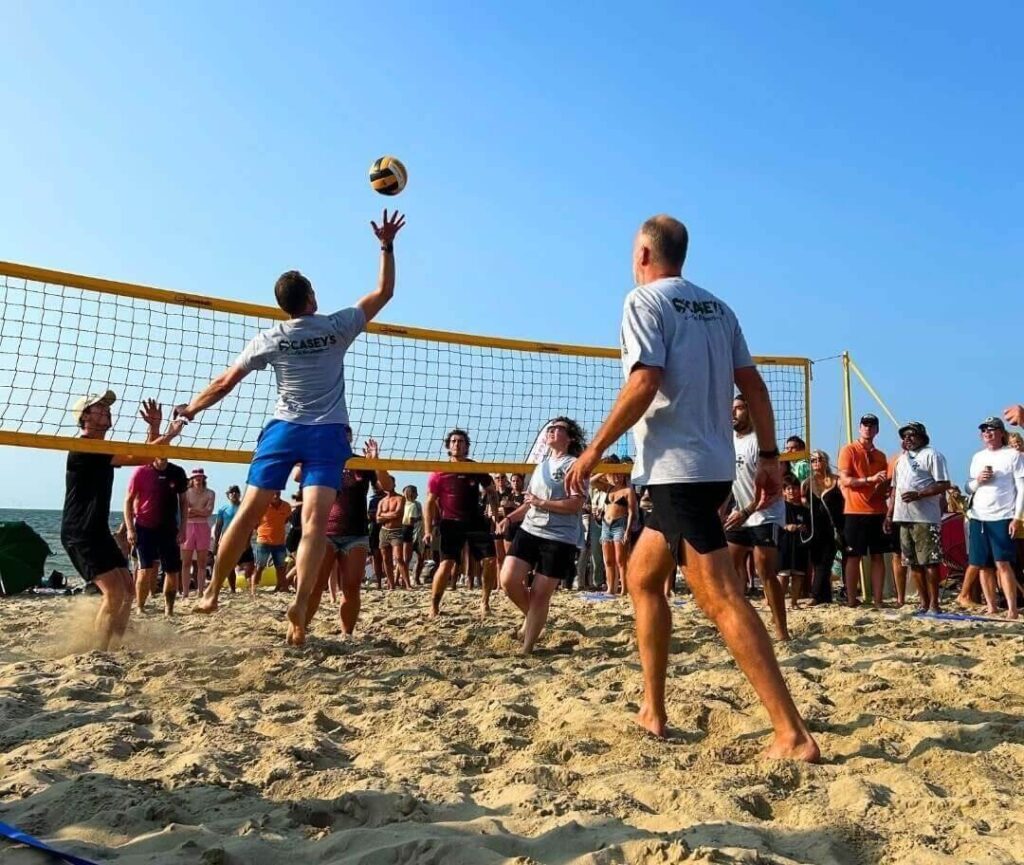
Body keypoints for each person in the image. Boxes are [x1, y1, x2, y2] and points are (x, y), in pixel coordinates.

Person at [565, 214, 818, 761]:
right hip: (702, 468)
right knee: (641, 576)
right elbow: (752, 385)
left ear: (644, 255)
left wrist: (592, 450)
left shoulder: (643, 303)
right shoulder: (718, 307)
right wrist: (770, 455)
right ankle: (653, 710)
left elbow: (644, 381)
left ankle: (791, 733)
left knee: (720, 596)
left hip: (680, 471)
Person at [174, 209, 405, 645]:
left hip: (284, 428)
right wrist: (386, 244)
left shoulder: (272, 336)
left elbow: (225, 383)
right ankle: (300, 602)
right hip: (328, 432)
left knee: (247, 514)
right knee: (316, 526)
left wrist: (190, 410)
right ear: (312, 299)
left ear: (284, 305)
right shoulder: (337, 326)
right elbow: (384, 291)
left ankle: (209, 592)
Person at [61, 394, 183, 649]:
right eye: (99, 407)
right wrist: (169, 433)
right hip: (80, 532)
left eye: (108, 407)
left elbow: (146, 456)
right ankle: (99, 651)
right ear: (84, 417)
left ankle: (113, 646)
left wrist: (153, 428)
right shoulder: (84, 447)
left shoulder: (102, 448)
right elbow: (140, 457)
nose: (106, 410)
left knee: (128, 590)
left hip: (97, 530)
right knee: (115, 593)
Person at [499, 417, 587, 652]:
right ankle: (533, 617)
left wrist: (543, 502)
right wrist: (509, 518)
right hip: (530, 529)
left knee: (540, 595)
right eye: (550, 428)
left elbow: (576, 505)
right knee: (507, 580)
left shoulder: (574, 465)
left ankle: (527, 648)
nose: (551, 430)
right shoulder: (541, 465)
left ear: (570, 438)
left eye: (558, 428)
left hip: (559, 537)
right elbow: (530, 503)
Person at [725, 395, 789, 640]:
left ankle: (781, 631)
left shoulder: (762, 444)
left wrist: (747, 511)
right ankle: (741, 625)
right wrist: (724, 511)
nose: (733, 413)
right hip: (741, 511)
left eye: (739, 408)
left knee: (765, 571)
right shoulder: (728, 440)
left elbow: (772, 492)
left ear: (750, 412)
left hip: (766, 513)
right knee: (729, 569)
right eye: (731, 409)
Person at [303, 435, 378, 635]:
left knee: (351, 588)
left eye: (345, 435)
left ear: (350, 438)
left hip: (356, 533)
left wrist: (376, 462)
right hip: (326, 532)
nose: (341, 438)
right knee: (315, 586)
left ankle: (347, 634)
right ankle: (300, 628)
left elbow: (386, 486)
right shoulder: (323, 459)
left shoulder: (362, 462)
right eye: (337, 433)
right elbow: (297, 477)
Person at [423, 428, 500, 617]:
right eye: (454, 441)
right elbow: (430, 502)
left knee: (490, 561)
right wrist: (427, 530)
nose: (457, 444)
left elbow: (492, 491)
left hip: (475, 522)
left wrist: (496, 517)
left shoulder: (475, 468)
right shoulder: (439, 472)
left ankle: (485, 603)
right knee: (446, 564)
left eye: (461, 441)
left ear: (467, 446)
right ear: (448, 446)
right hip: (450, 523)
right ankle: (434, 605)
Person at [886, 422, 951, 613]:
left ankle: (934, 604)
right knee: (912, 562)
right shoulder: (900, 460)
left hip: (925, 517)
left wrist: (919, 494)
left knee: (929, 562)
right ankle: (923, 603)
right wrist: (889, 515)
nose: (907, 438)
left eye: (911, 434)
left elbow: (944, 484)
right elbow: (894, 489)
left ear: (922, 436)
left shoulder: (932, 455)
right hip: (903, 517)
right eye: (904, 435)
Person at [966, 416, 1024, 619]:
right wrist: (978, 481)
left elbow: (1021, 487)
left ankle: (1012, 609)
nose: (987, 433)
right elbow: (969, 486)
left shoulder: (1013, 455)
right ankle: (991, 606)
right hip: (978, 516)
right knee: (983, 565)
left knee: (1003, 563)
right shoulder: (977, 457)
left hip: (1002, 515)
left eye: (991, 430)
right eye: (984, 430)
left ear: (1001, 432)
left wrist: (1017, 518)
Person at [124, 455, 188, 615]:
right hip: (144, 528)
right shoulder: (141, 471)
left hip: (168, 528)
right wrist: (130, 529)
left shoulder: (177, 472)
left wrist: (183, 528)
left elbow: (184, 502)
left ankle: (169, 609)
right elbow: (128, 501)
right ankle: (140, 607)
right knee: (145, 569)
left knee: (172, 571)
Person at [838, 414, 889, 608]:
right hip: (855, 511)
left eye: (872, 425)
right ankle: (851, 600)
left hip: (877, 510)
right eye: (865, 425)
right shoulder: (849, 450)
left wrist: (884, 485)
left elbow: (882, 482)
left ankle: (878, 600)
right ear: (859, 428)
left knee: (878, 556)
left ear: (876, 430)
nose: (868, 428)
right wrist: (869, 480)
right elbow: (845, 480)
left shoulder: (881, 456)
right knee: (853, 556)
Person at [803, 450, 842, 604]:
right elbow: (803, 504)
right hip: (814, 527)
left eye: (820, 459)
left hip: (833, 525)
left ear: (826, 461)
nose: (817, 462)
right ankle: (825, 597)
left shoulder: (836, 480)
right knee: (818, 562)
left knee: (826, 561)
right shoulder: (807, 483)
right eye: (813, 460)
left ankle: (815, 595)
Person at [593, 455, 636, 594]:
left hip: (620, 524)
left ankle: (624, 589)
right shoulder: (608, 488)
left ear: (624, 476)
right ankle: (610, 588)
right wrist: (606, 470)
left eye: (620, 475)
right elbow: (591, 481)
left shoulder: (628, 491)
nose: (617, 478)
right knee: (608, 561)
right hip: (606, 525)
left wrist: (627, 530)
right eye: (614, 475)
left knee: (620, 560)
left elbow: (631, 512)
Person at [212, 485, 255, 594]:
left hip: (243, 540)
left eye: (236, 492)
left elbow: (249, 525)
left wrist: (248, 540)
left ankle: (248, 584)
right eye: (231, 492)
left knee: (250, 565)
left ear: (240, 494)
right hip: (227, 541)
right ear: (228, 495)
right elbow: (218, 527)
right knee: (229, 567)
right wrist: (216, 543)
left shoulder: (245, 506)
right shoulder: (223, 509)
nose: (234, 494)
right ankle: (233, 589)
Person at [180, 468, 215, 598]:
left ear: (203, 479)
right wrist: (200, 511)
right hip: (188, 526)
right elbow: (185, 511)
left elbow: (208, 512)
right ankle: (185, 593)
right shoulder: (186, 493)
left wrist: (193, 511)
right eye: (196, 478)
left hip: (203, 527)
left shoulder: (210, 493)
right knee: (186, 562)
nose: (198, 480)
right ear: (192, 479)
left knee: (202, 562)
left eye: (200, 478)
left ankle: (200, 592)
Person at [778, 474, 811, 609]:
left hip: (799, 546)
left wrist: (803, 528)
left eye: (795, 488)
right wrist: (786, 526)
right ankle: (778, 603)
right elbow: (775, 524)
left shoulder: (805, 510)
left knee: (798, 575)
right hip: (784, 545)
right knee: (783, 575)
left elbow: (809, 527)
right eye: (789, 489)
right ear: (784, 491)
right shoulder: (779, 507)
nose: (792, 491)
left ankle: (794, 602)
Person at [253, 491, 292, 592]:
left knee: (281, 568)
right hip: (263, 541)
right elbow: (254, 523)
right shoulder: (262, 506)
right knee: (259, 567)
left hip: (279, 542)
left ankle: (282, 588)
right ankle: (254, 588)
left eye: (277, 493)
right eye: (273, 493)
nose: (275, 495)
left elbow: (286, 519)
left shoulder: (286, 506)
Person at [377, 473, 410, 589]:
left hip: (396, 531)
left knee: (399, 558)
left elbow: (398, 513)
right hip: (384, 531)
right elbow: (377, 518)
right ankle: (391, 585)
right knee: (386, 560)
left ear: (393, 484)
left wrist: (384, 515)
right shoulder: (382, 501)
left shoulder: (400, 498)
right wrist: (390, 515)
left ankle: (407, 584)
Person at [402, 485, 425, 585]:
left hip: (418, 532)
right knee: (405, 558)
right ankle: (401, 578)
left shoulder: (418, 504)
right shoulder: (404, 505)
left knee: (421, 557)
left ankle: (416, 577)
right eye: (415, 492)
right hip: (408, 532)